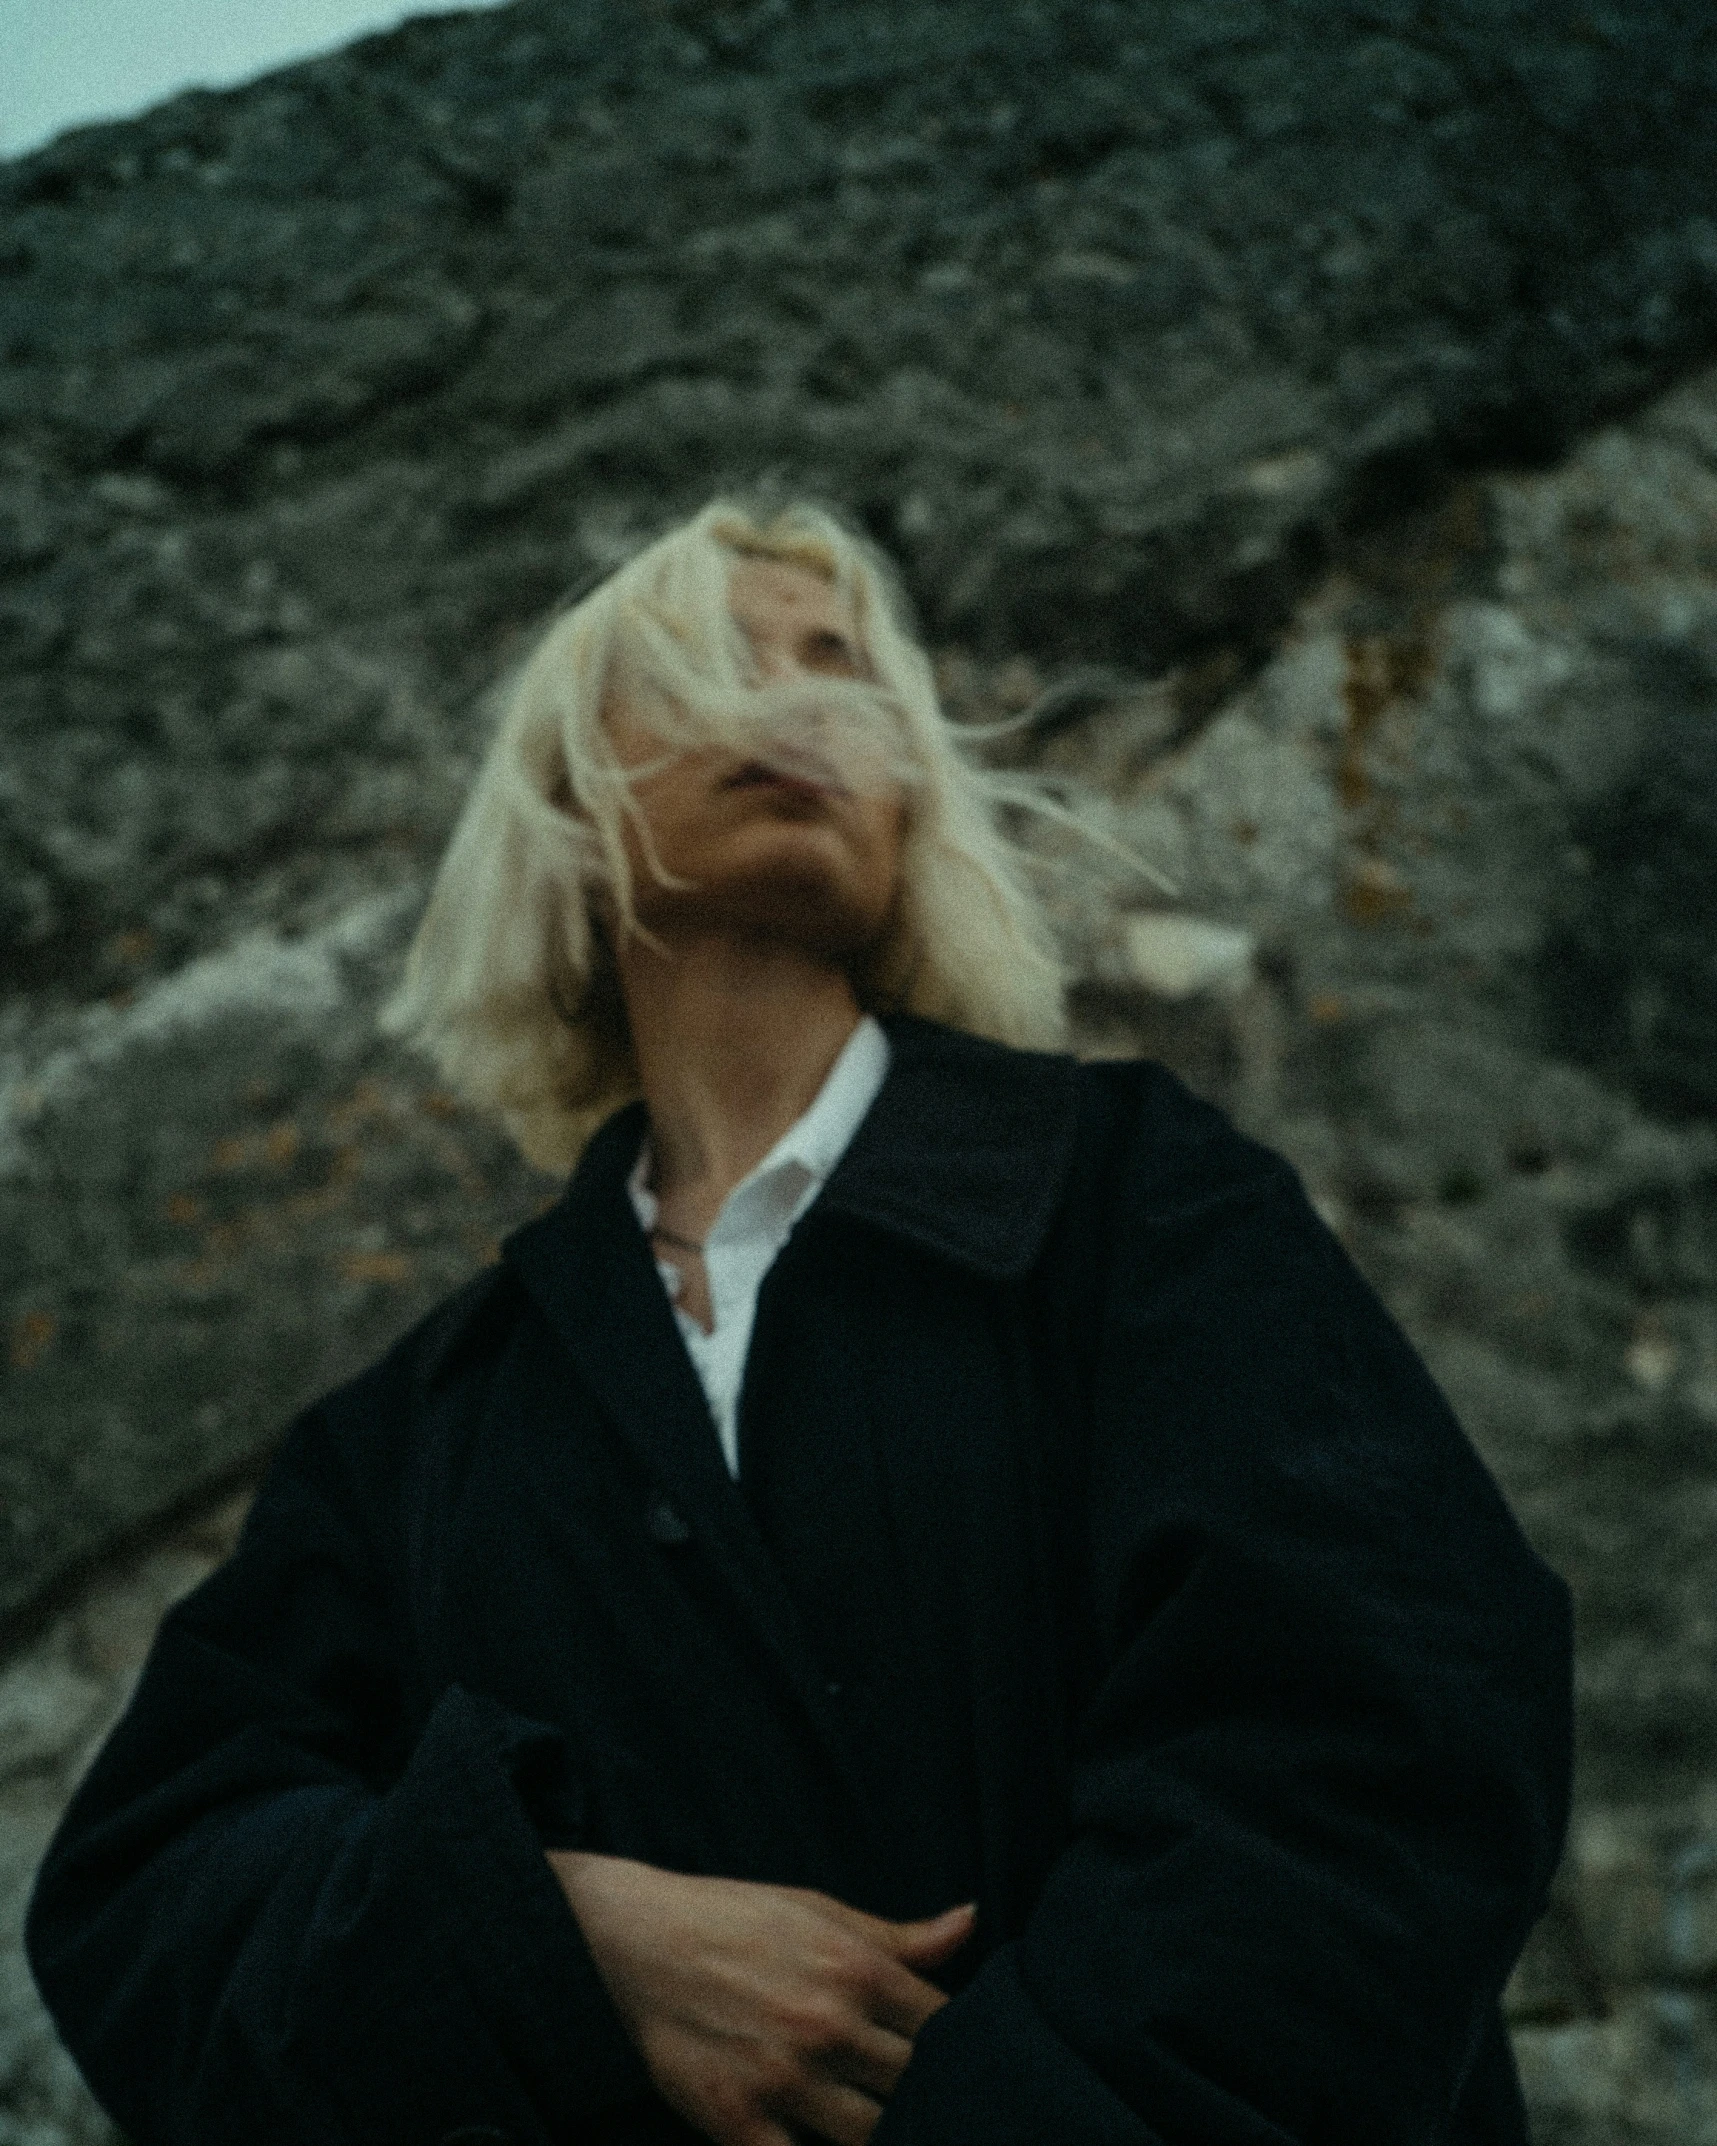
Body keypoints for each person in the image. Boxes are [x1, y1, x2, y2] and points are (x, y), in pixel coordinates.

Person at [27, 499, 1572, 2146]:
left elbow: (1387, 1722)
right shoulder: (422, 1425)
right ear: (566, 799)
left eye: (840, 666)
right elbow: (155, 1891)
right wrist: (554, 1937)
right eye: (705, 666)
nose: (791, 701)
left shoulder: (1139, 1201)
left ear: (910, 792)